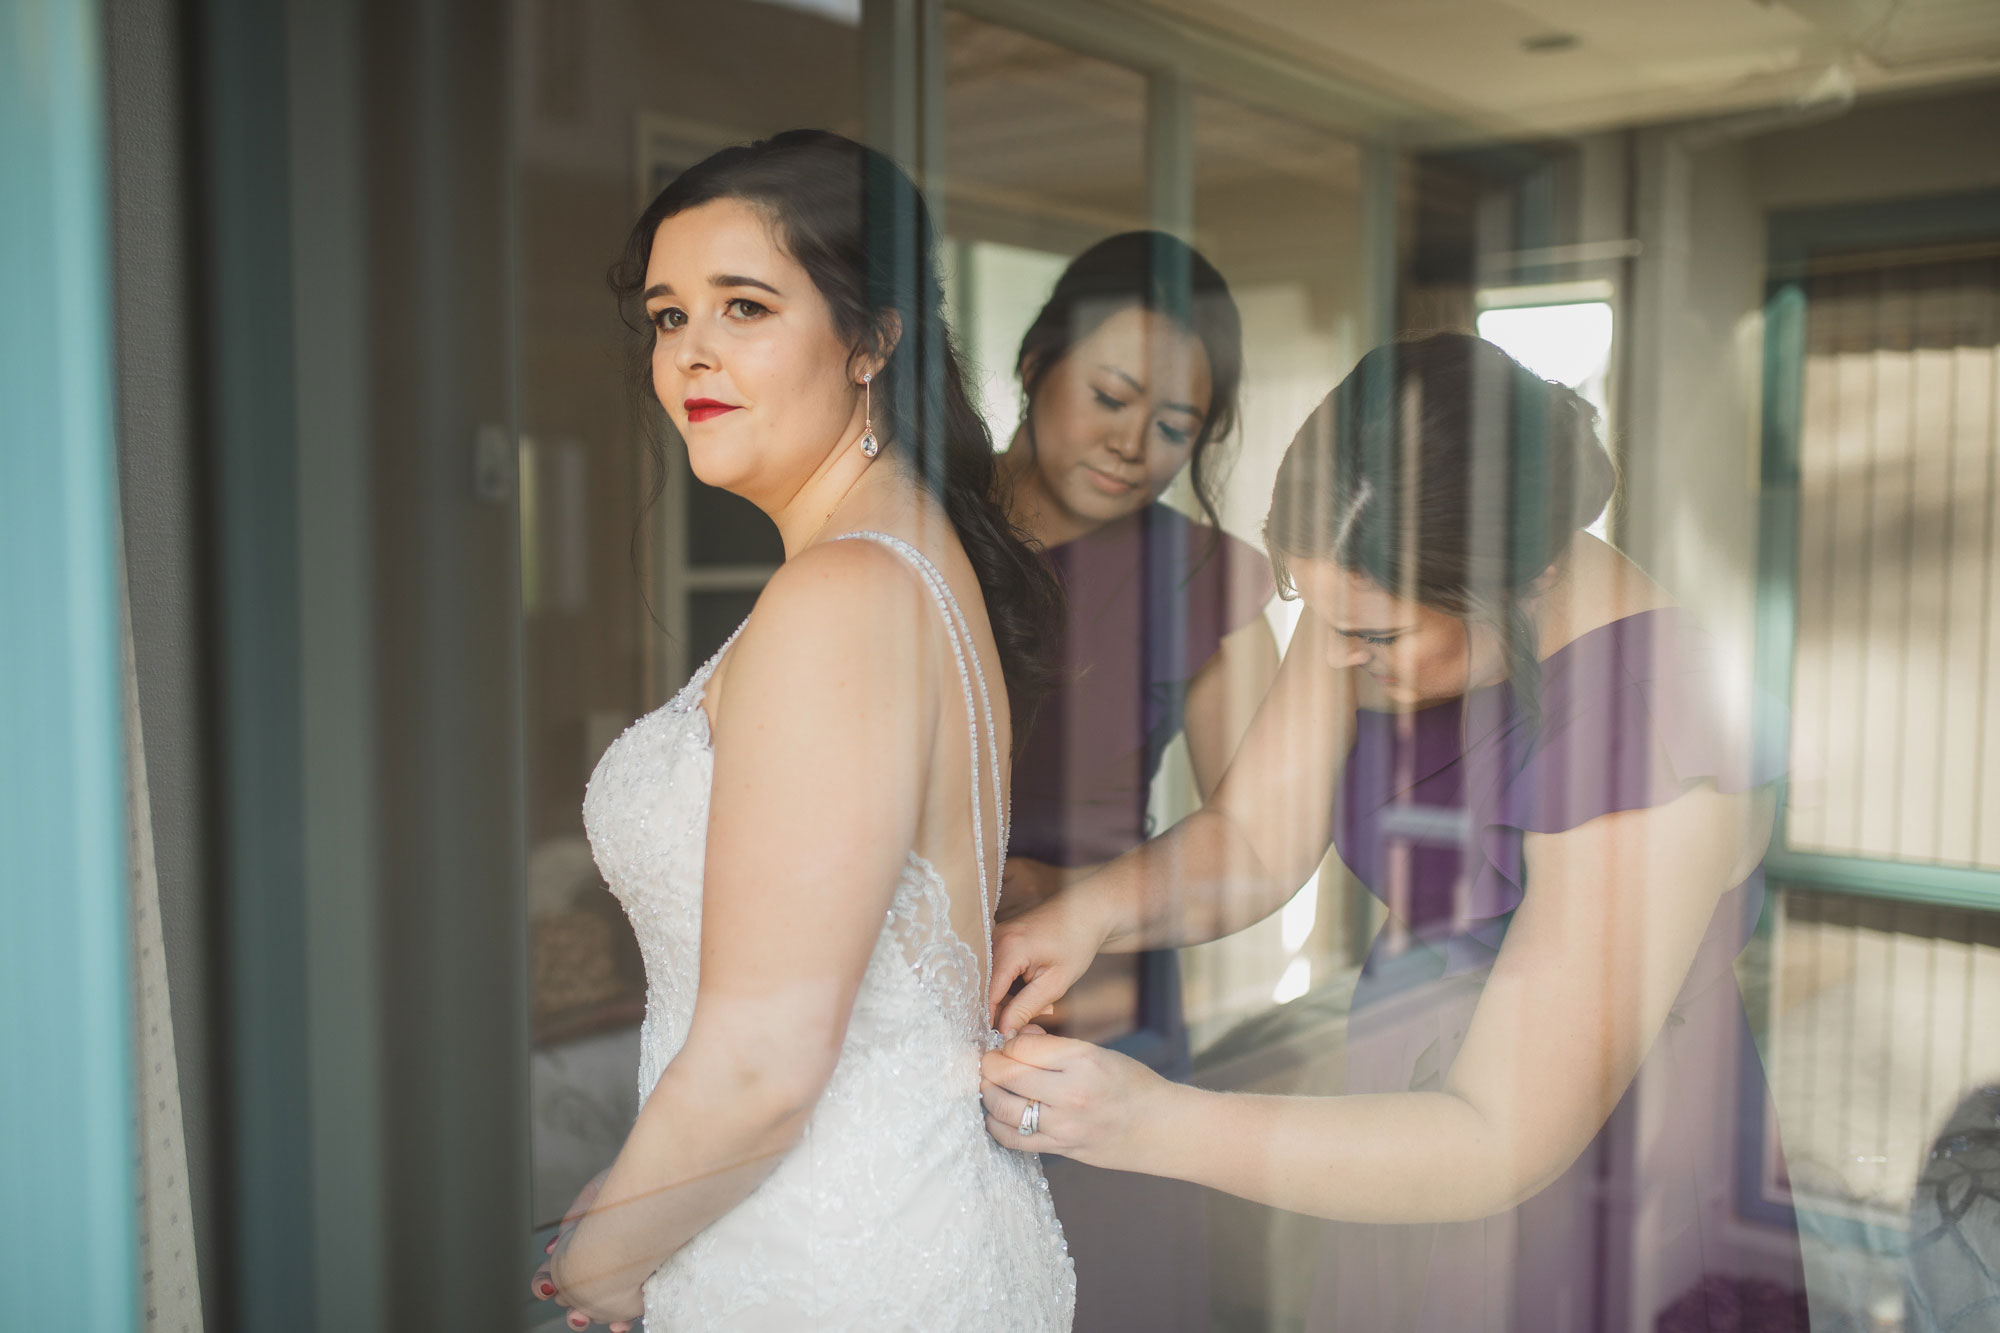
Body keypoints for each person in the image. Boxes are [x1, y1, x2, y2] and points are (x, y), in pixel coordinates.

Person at [982, 332, 1807, 1331]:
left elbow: (1497, 1135)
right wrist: (1089, 912)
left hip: (1581, 1166)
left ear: (1529, 579)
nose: (1332, 660)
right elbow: (1252, 837)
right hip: (1399, 1104)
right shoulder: (1370, 598)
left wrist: (1144, 1120)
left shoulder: (1650, 727)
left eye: (1372, 635)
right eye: (1314, 615)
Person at [530, 129, 1075, 1332]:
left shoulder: (844, 597)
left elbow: (766, 1063)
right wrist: (643, 1195)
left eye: (745, 305)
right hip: (865, 1226)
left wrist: (604, 1265)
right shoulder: (904, 565)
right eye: (669, 317)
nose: (692, 354)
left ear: (871, 339)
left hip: (830, 1263)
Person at [993, 230, 1278, 1329]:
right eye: (1109, 396)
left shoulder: (1205, 577)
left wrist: (1080, 899)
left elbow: (1257, 840)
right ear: (1034, 365)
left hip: (1103, 999)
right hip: (904, 982)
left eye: (1175, 427)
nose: (1132, 444)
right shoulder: (913, 527)